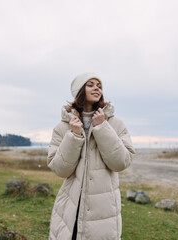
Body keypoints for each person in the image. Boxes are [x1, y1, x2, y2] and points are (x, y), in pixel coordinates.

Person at [47, 72, 136, 240]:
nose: (97, 88)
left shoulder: (115, 124)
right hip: (70, 209)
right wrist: (73, 136)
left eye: (99, 85)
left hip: (103, 212)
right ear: (80, 91)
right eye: (91, 84)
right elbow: (60, 169)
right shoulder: (62, 127)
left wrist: (102, 127)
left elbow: (121, 162)